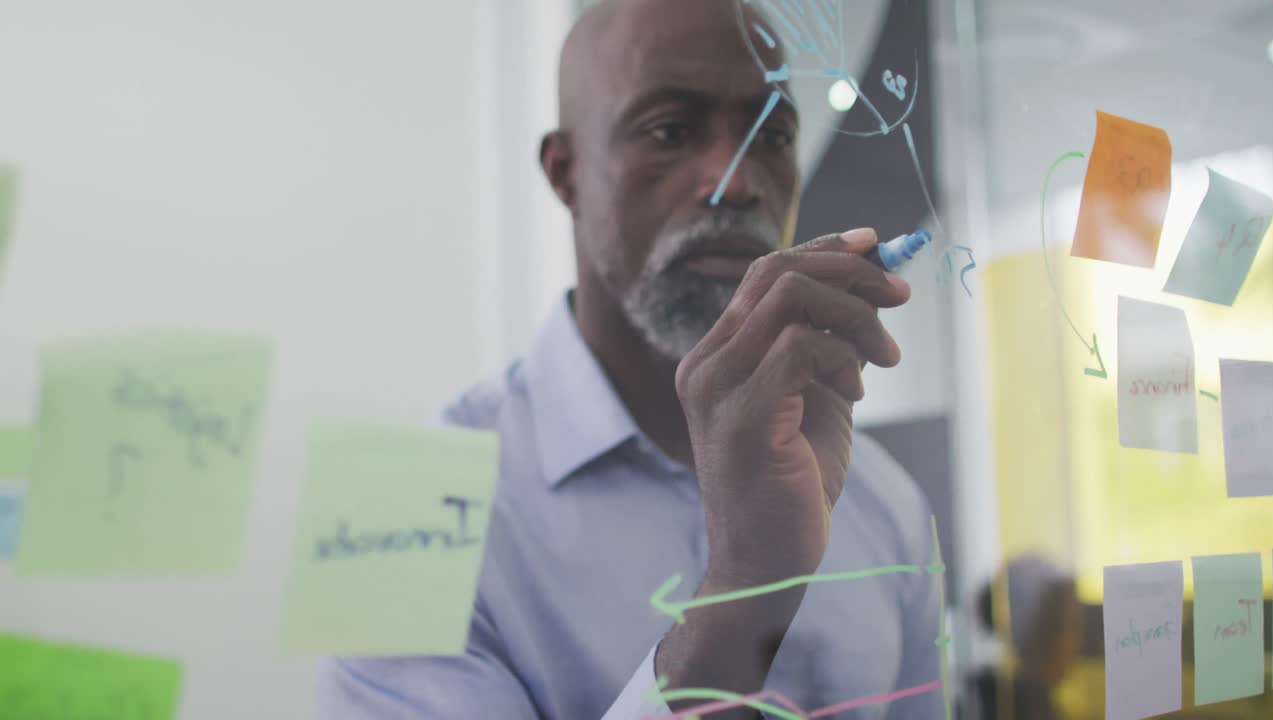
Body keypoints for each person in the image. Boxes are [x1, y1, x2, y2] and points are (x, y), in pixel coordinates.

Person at [320, 0, 940, 717]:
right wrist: (746, 591)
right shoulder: (402, 521)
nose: (736, 182)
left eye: (772, 134)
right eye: (671, 131)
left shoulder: (885, 505)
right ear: (566, 172)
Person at [965, 555, 1083, 720]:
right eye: (1069, 622)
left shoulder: (984, 701)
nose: (1076, 638)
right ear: (1042, 639)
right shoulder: (1024, 711)